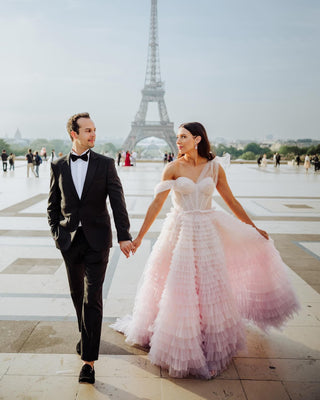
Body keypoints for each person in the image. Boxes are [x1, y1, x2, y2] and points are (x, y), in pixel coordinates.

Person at [111, 122, 299, 379]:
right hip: (181, 231)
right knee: (180, 284)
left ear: (198, 139)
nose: (178, 141)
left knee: (209, 284)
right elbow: (157, 204)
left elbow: (231, 201)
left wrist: (253, 228)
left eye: (183, 136)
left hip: (207, 232)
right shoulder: (173, 167)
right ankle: (179, 332)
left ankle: (204, 332)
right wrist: (140, 237)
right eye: (177, 136)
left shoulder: (215, 167)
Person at [47, 112, 133, 384]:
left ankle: (89, 362)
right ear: (74, 134)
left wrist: (124, 235)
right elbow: (52, 205)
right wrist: (57, 234)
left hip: (98, 240)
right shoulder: (58, 165)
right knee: (76, 296)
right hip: (70, 242)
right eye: (87, 131)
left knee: (92, 298)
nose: (93, 134)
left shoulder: (106, 164)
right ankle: (86, 337)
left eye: (94, 130)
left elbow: (118, 202)